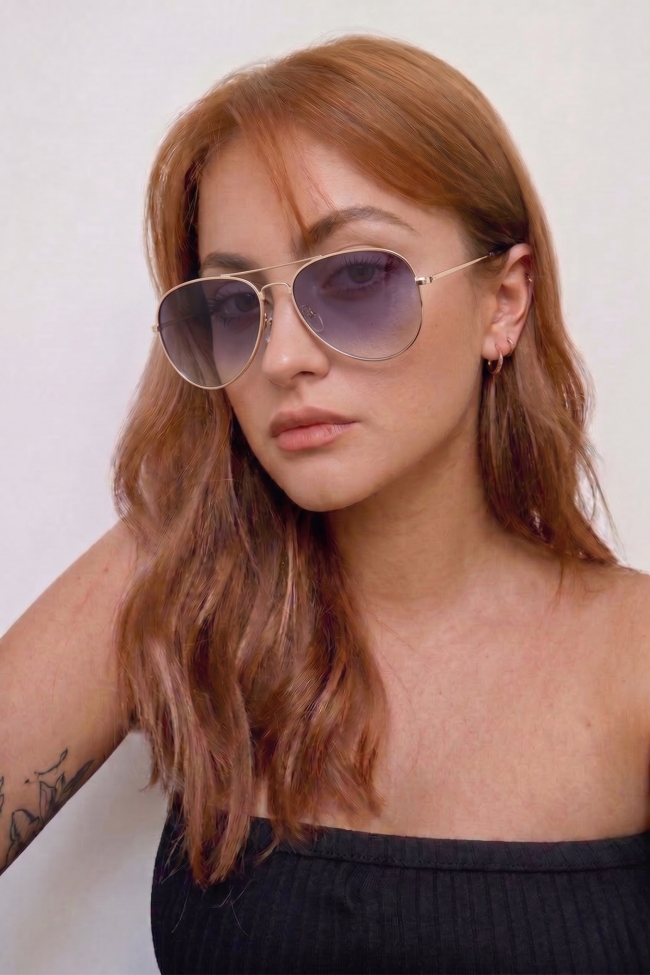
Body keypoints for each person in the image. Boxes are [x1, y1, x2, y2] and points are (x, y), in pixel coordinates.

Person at [2, 32, 650, 975]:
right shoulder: (178, 592)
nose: (281, 358)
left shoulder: (633, 660)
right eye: (235, 303)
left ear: (504, 302)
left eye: (356, 278)